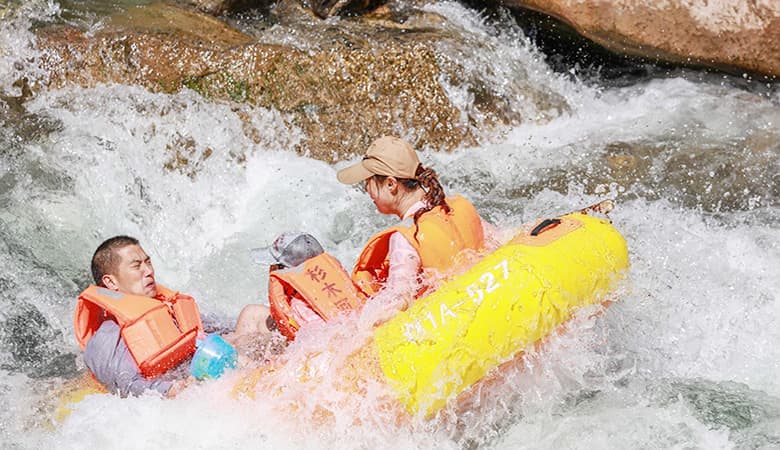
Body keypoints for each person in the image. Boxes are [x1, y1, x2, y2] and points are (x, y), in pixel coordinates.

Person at [336, 135, 494, 321]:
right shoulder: (458, 205)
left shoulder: (407, 237)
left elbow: (399, 298)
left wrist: (359, 329)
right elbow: (499, 242)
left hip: (454, 321)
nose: (366, 189)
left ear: (390, 184)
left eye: (368, 182)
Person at [73, 236, 203, 397]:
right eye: (136, 266)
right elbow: (125, 386)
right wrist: (170, 390)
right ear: (111, 283)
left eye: (148, 262)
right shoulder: (108, 338)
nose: (149, 271)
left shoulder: (167, 307)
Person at [234, 232, 364, 341]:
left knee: (249, 316)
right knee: (254, 313)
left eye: (273, 266)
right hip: (342, 334)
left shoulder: (299, 306)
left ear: (283, 270)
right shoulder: (335, 284)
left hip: (308, 352)